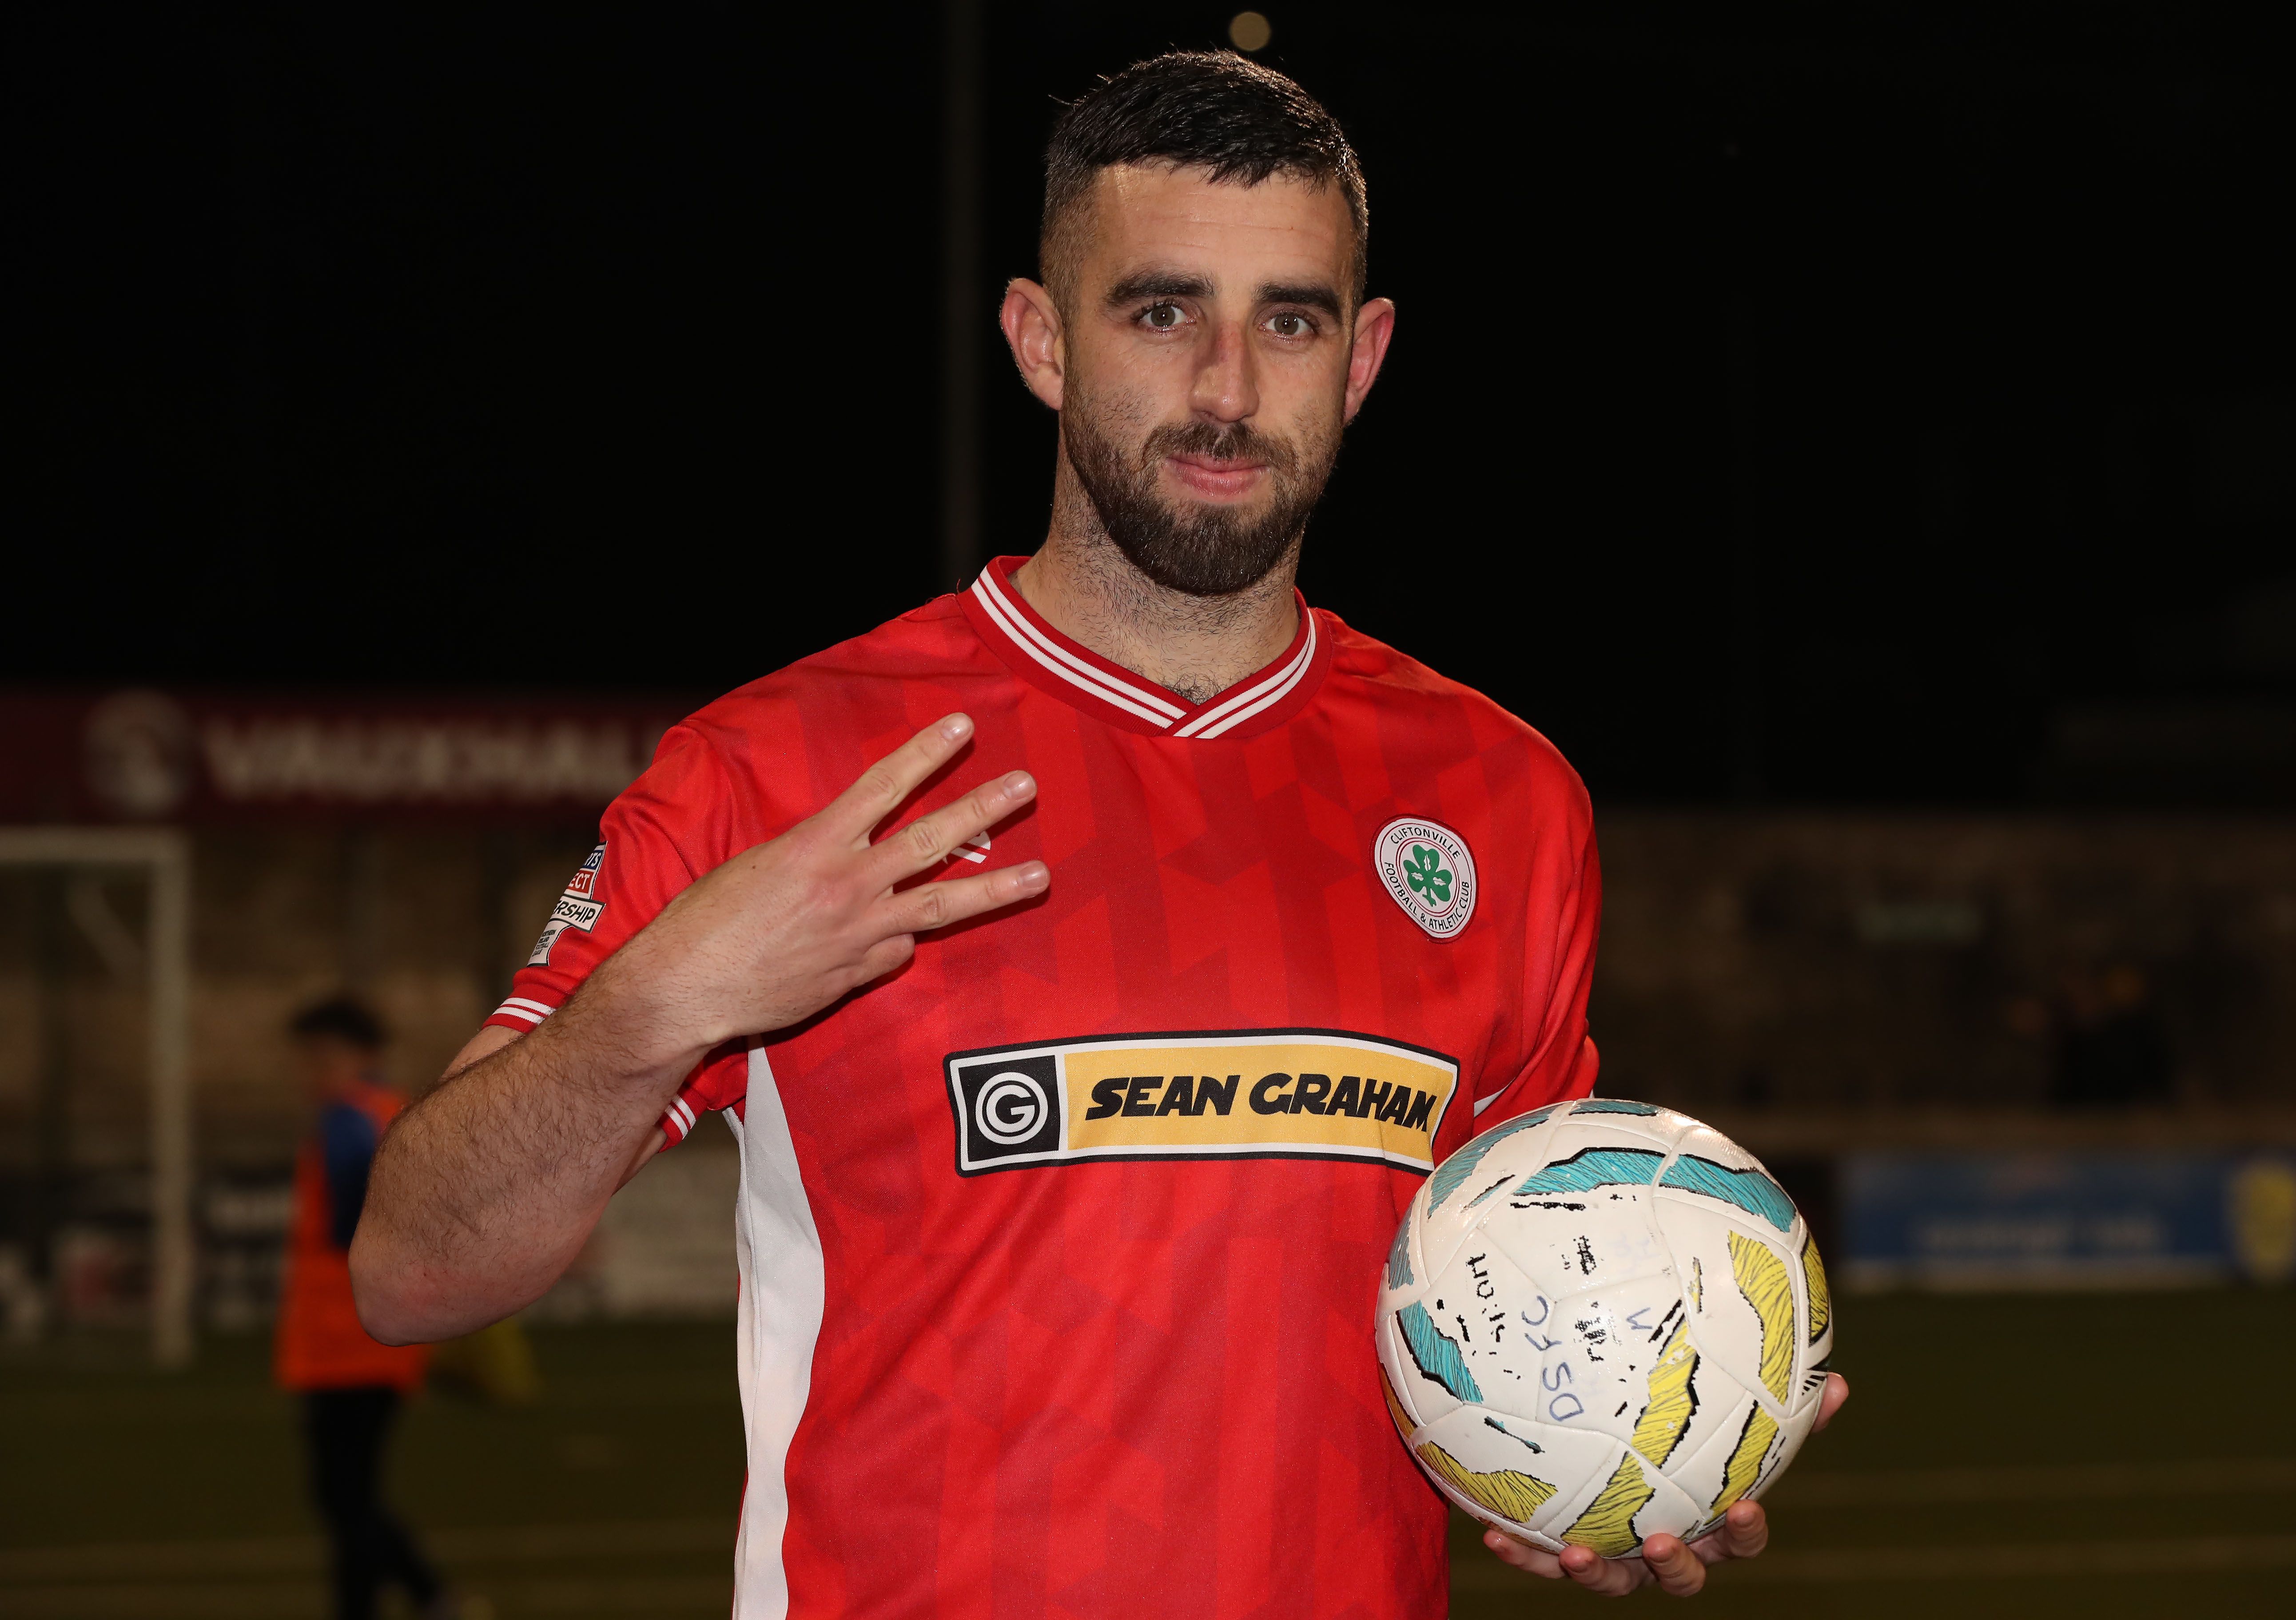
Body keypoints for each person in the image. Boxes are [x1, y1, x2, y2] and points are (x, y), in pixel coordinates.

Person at [353, 52, 1847, 1617]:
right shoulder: (783, 765)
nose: (1225, 384)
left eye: (1290, 317)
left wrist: (1601, 1452)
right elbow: (411, 1270)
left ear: (1365, 357)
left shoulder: (1499, 793)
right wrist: (660, 1000)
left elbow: (1515, 1279)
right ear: (1040, 340)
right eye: (1158, 310)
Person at [277, 996, 453, 1620]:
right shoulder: (394, 1112)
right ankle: (423, 1594)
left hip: (346, 1339)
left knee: (344, 1497)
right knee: (349, 1495)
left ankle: (413, 1596)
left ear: (361, 1055)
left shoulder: (349, 1119)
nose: (313, 1070)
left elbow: (355, 1221)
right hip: (373, 1334)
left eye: (324, 1055)